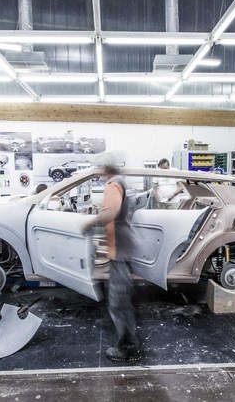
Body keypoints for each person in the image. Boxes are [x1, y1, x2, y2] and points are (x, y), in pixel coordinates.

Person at [80, 154, 141, 362]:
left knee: (118, 302)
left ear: (106, 169)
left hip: (120, 250)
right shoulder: (121, 182)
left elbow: (111, 212)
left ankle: (128, 348)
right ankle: (129, 343)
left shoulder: (113, 184)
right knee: (119, 299)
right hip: (122, 247)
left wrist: (89, 223)